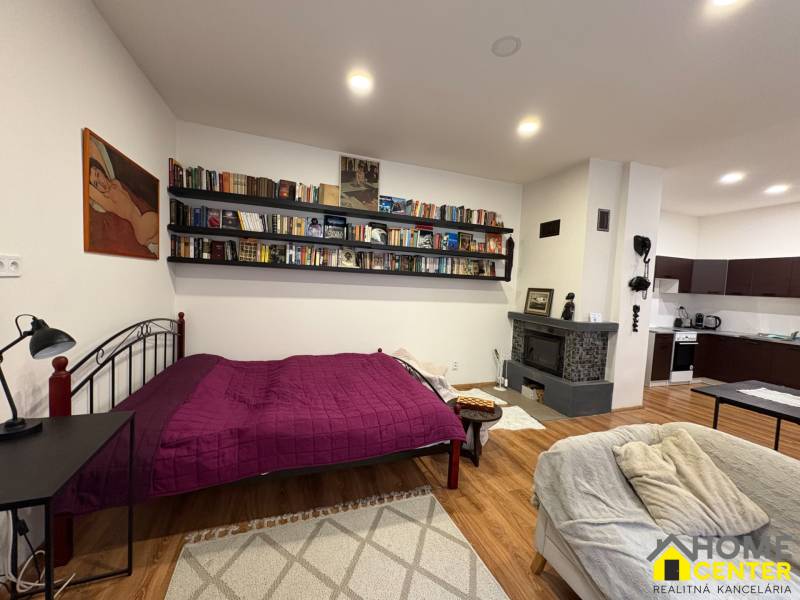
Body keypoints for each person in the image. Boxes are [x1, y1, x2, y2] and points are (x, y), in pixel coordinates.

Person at [86, 137, 158, 257]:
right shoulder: (107, 200)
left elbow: (97, 151)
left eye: (98, 175)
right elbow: (91, 192)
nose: (101, 182)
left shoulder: (115, 182)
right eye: (96, 184)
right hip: (141, 227)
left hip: (147, 231)